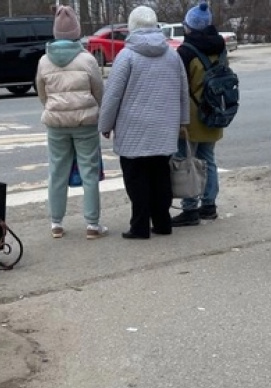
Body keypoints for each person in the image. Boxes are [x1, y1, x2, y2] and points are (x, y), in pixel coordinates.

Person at [98, 6, 190, 239]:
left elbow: (113, 95)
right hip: (164, 128)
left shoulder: (126, 56)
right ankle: (162, 222)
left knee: (136, 179)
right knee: (161, 175)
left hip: (133, 129)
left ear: (132, 27)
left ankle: (139, 226)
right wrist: (183, 121)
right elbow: (183, 90)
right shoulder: (172, 55)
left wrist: (105, 125)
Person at [36, 5, 108, 240]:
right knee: (89, 171)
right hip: (85, 123)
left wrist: (53, 108)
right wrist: (98, 112)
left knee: (57, 171)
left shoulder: (44, 61)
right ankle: (92, 225)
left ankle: (56, 223)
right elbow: (99, 90)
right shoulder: (87, 60)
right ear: (76, 31)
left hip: (56, 123)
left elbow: (42, 93)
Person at [170, 0, 227, 227]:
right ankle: (209, 205)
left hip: (191, 116)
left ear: (190, 27)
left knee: (187, 160)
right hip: (214, 110)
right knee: (208, 160)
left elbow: (179, 86)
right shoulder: (220, 46)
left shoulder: (185, 52)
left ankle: (190, 207)